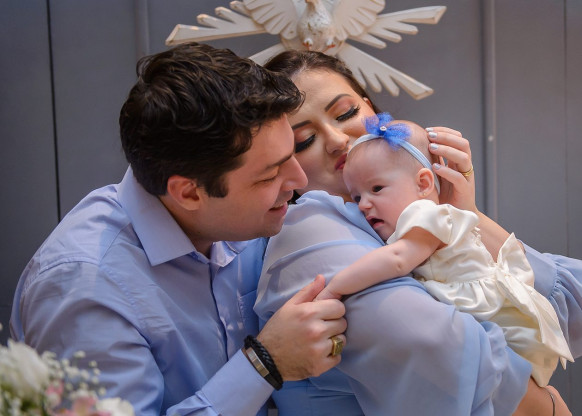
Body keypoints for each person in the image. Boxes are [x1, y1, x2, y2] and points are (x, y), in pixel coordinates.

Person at [9, 42, 349, 416]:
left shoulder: (239, 215)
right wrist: (265, 364)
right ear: (188, 193)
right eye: (270, 175)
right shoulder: (84, 289)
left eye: (292, 152)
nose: (298, 180)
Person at [256, 49, 581, 415]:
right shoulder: (308, 227)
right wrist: (549, 406)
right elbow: (439, 347)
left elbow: (565, 309)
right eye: (304, 140)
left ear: (371, 110)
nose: (336, 139)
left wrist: (466, 216)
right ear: (281, 159)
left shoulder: (402, 220)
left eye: (346, 113)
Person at [315, 112, 574, 387]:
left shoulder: (427, 215)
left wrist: (335, 287)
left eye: (376, 188)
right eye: (357, 196)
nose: (363, 204)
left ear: (423, 183)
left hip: (501, 323)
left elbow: (398, 260)